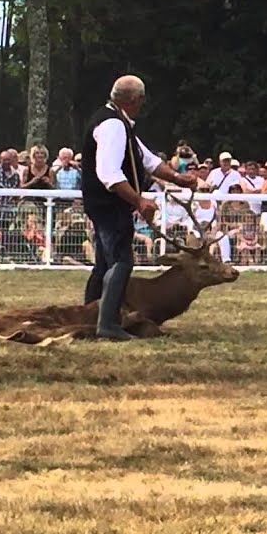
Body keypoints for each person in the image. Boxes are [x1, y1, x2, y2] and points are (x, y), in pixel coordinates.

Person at [80, 75, 199, 339]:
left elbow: (148, 160)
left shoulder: (119, 122)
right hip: (110, 204)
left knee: (103, 263)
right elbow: (109, 173)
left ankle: (88, 316)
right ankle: (108, 325)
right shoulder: (113, 125)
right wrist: (139, 200)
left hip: (104, 204)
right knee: (121, 262)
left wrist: (179, 179)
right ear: (136, 100)